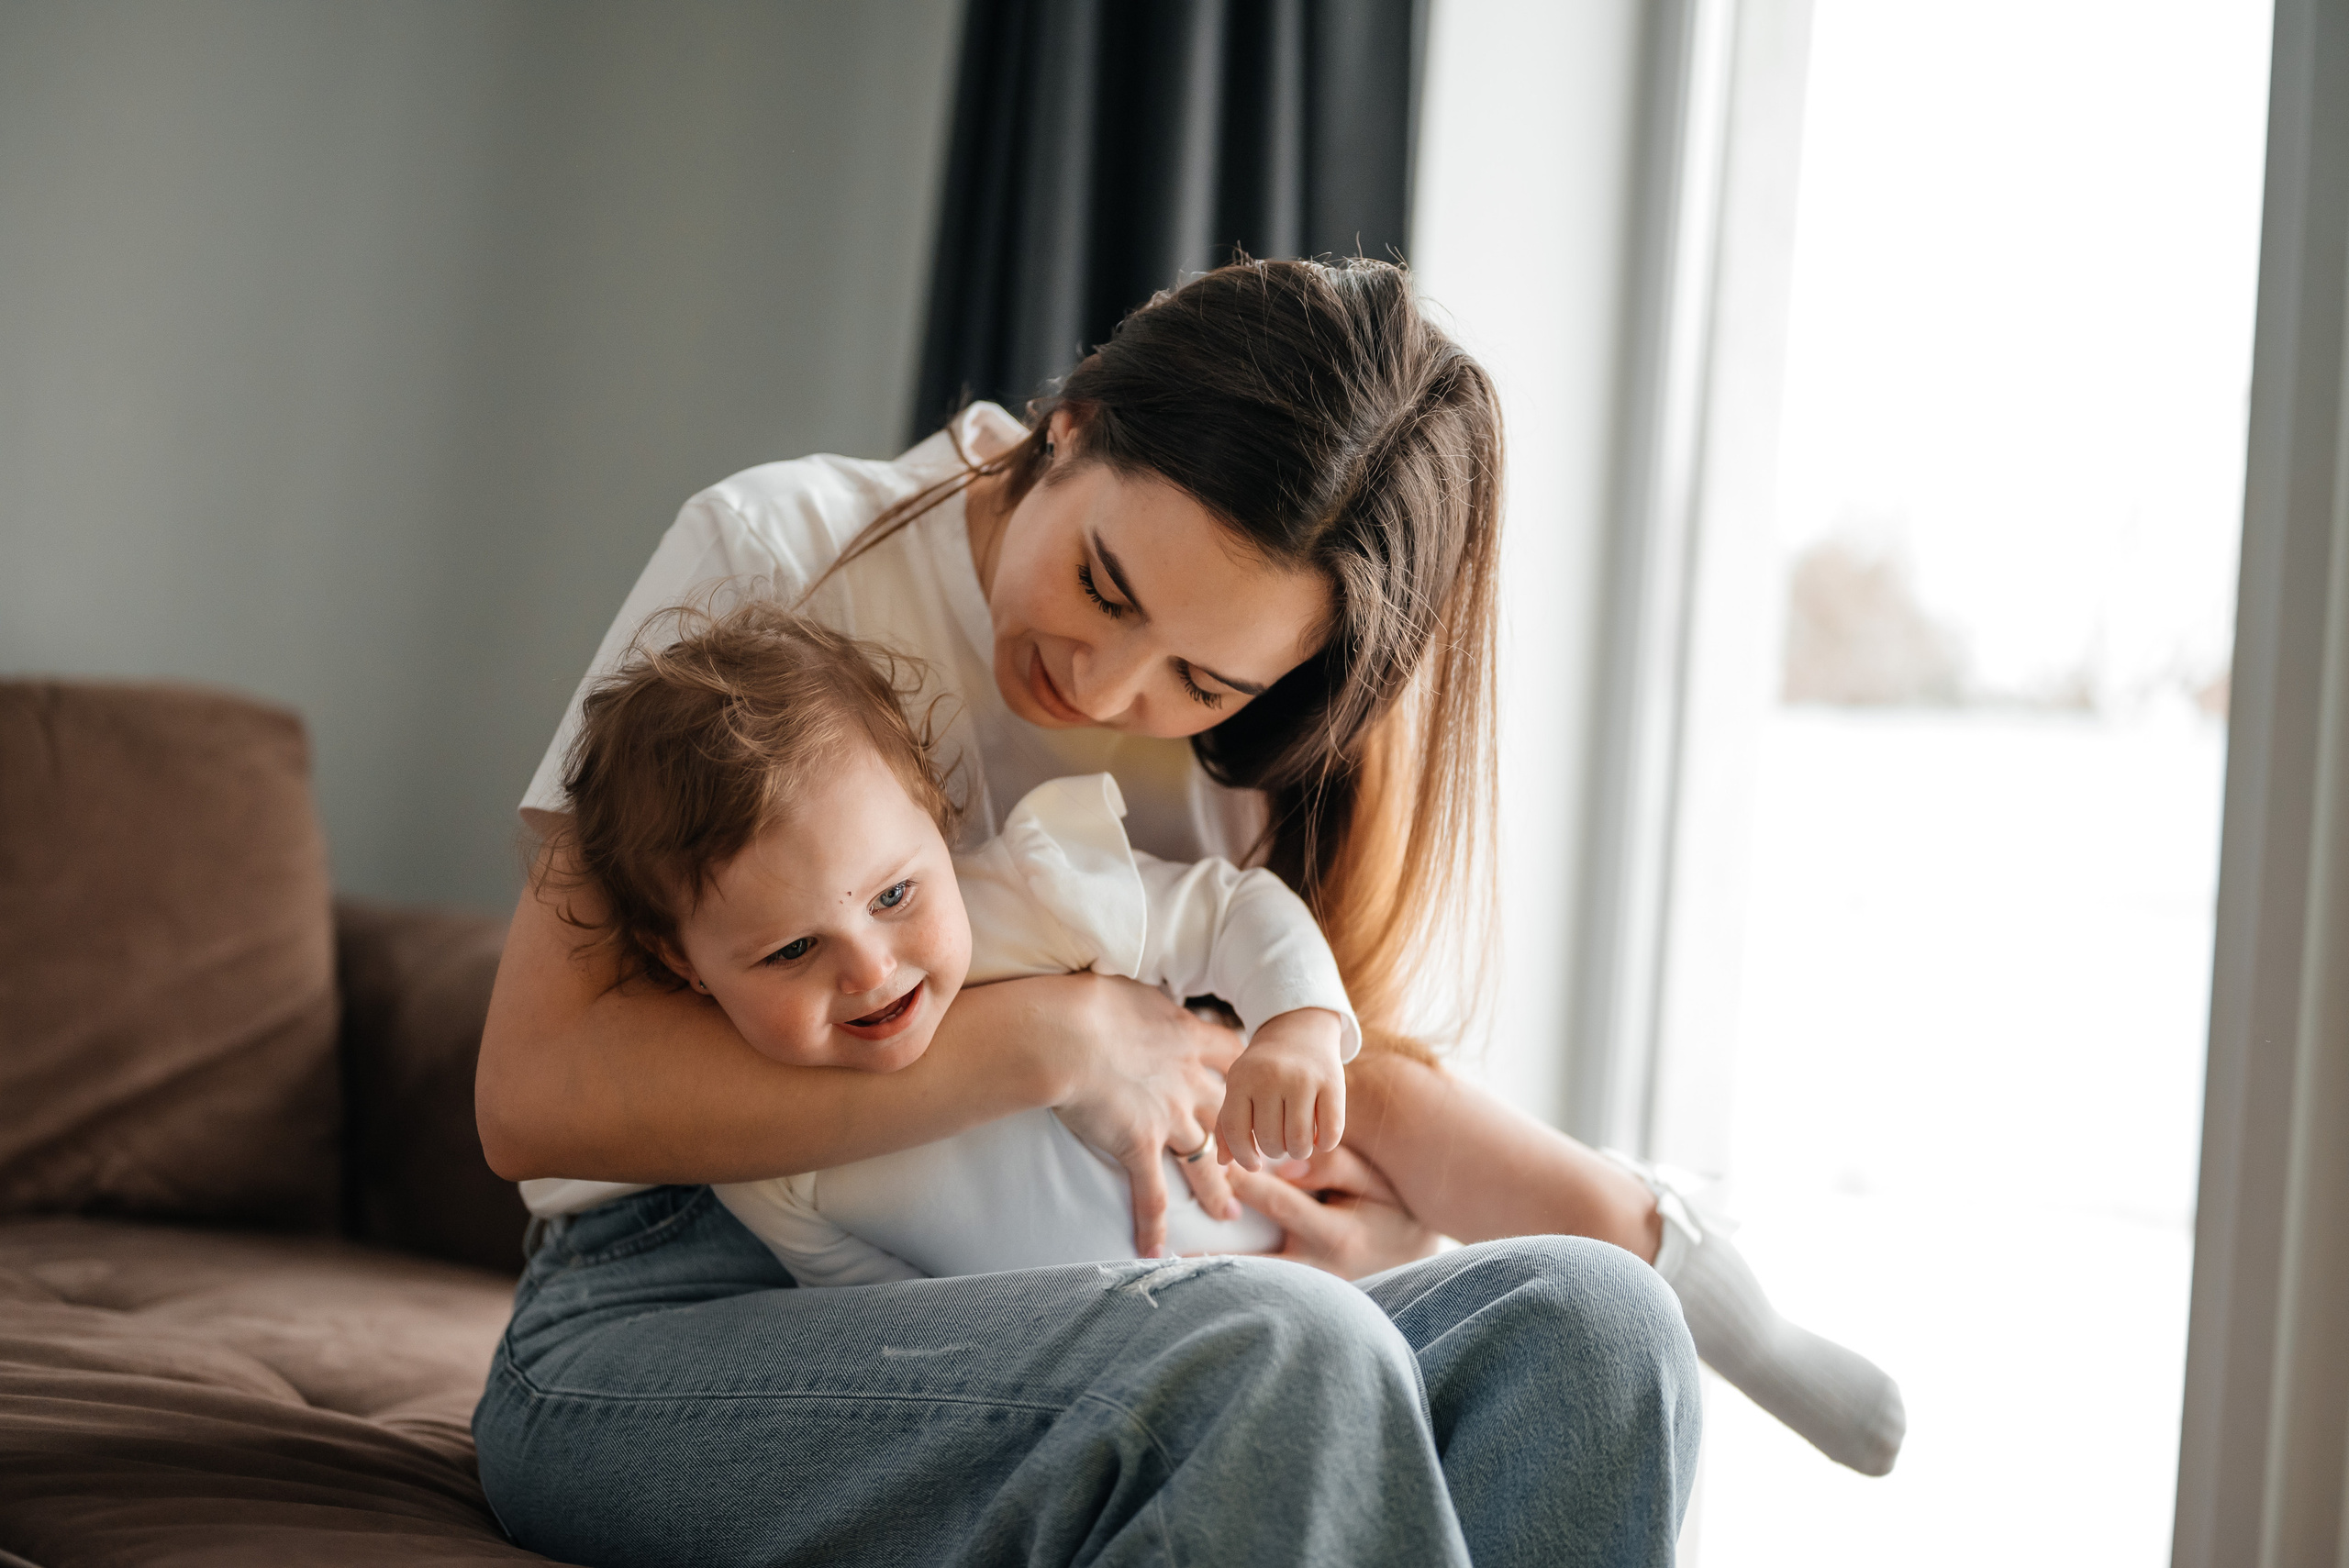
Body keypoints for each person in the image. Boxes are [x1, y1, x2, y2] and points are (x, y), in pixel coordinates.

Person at [477, 257, 1712, 1568]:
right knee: (1283, 1348)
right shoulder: (777, 549)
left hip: (1116, 1283)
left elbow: (1319, 1085)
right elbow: (534, 1088)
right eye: (1105, 584)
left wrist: (1383, 1221)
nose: (1105, 684)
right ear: (1067, 427)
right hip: (675, 1295)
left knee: (1596, 1321)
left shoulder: (1263, 747)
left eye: (1200, 675)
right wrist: (1058, 1035)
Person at [526, 599, 1356, 1277]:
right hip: (1144, 1341)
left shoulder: (1032, 896)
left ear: (934, 813)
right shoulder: (764, 1161)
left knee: (1436, 1179)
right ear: (687, 964)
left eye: (893, 893)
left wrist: (1299, 1025)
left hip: (1301, 1202)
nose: (871, 968)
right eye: (791, 950)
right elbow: (894, 1318)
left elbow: (1232, 908)